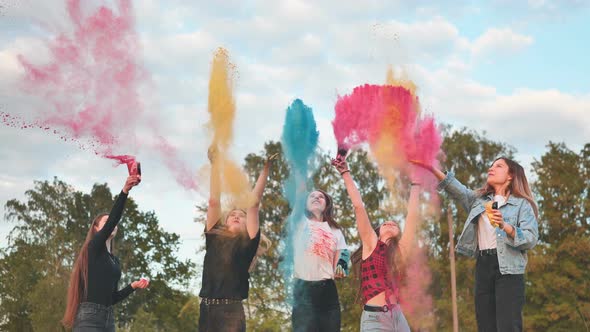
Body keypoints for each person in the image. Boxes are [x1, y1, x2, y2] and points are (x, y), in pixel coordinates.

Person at [413, 157, 538, 331]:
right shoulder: (478, 201)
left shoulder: (521, 205)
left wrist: (505, 226)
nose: (491, 168)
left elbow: (531, 238)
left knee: (508, 326)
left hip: (508, 270)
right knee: (485, 326)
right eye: (491, 165)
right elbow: (457, 189)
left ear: (510, 175)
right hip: (483, 266)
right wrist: (432, 168)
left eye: (498, 166)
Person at [332, 156, 421, 331]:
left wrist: (416, 183)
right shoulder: (371, 244)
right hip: (375, 319)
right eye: (385, 223)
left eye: (394, 224)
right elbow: (358, 206)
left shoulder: (400, 252)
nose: (390, 222)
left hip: (398, 317)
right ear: (376, 231)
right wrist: (345, 173)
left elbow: (412, 217)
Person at [198, 149, 273, 332]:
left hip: (230, 311)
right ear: (225, 221)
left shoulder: (247, 245)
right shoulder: (214, 236)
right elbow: (214, 201)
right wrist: (215, 165)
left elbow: (253, 204)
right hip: (206, 309)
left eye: (241, 215)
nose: (237, 216)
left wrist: (265, 169)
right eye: (233, 214)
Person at [62, 174, 148, 331]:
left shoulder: (114, 262)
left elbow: (112, 298)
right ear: (96, 228)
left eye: (113, 223)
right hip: (89, 317)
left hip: (109, 319)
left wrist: (132, 286)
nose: (112, 225)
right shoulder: (93, 248)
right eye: (106, 223)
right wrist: (125, 191)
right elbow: (114, 220)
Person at [291, 187, 348, 332]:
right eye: (312, 196)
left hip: (328, 291)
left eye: (321, 197)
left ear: (327, 204)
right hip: (303, 289)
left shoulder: (335, 230)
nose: (316, 198)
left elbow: (343, 257)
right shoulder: (298, 222)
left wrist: (341, 268)